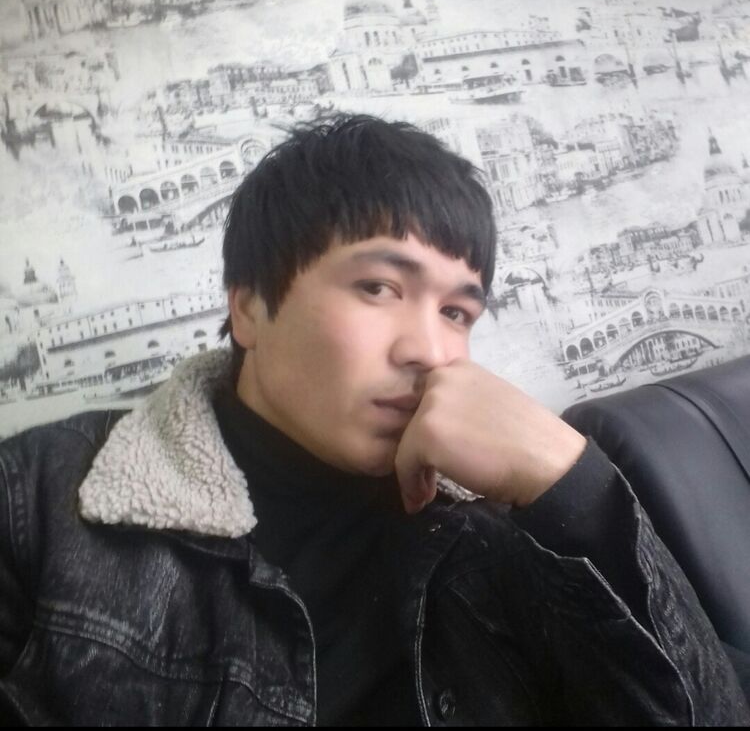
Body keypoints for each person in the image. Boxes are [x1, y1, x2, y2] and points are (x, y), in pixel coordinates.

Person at [0, 114, 748, 726]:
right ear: (249, 307)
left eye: (457, 312)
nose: (429, 350)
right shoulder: (41, 499)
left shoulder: (497, 525)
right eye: (380, 287)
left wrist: (572, 484)